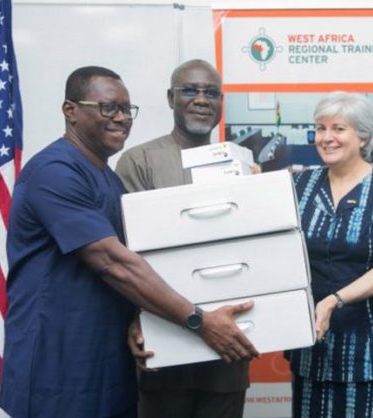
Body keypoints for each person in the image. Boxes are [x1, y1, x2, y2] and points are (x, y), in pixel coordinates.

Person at [0, 66, 258, 418]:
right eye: (108, 108)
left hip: (109, 364)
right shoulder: (54, 172)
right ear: (70, 111)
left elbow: (151, 256)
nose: (121, 118)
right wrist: (199, 320)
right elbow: (113, 262)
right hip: (58, 367)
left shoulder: (107, 178)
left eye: (126, 110)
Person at [115, 59, 250, 418]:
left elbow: (253, 248)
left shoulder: (241, 165)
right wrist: (135, 319)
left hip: (228, 344)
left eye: (211, 92)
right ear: (171, 97)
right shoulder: (138, 161)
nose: (202, 100)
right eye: (190, 90)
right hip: (164, 334)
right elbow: (128, 255)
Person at [284, 92, 373, 418]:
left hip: (370, 348)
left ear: (363, 136)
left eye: (338, 129)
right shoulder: (300, 184)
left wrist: (333, 300)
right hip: (312, 348)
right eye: (320, 128)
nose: (326, 138)